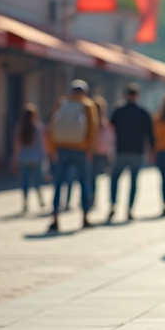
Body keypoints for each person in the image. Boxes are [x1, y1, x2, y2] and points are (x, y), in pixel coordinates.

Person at [47, 80, 99, 233]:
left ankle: (55, 217)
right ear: (85, 92)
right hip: (81, 149)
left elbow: (51, 126)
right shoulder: (88, 105)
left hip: (61, 148)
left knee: (58, 184)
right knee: (84, 183)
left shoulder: (61, 103)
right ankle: (85, 217)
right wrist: (90, 149)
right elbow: (92, 129)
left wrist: (52, 149)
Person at [109, 84, 153, 223]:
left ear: (125, 95)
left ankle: (113, 205)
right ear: (137, 96)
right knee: (133, 181)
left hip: (121, 149)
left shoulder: (119, 111)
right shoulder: (143, 112)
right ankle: (129, 209)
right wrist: (152, 150)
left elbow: (111, 128)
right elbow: (150, 134)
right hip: (137, 151)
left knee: (115, 178)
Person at [12, 103, 46, 214]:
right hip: (36, 158)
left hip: (24, 158)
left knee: (25, 182)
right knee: (37, 181)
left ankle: (25, 203)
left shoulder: (20, 128)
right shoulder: (39, 128)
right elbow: (42, 145)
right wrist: (45, 159)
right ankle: (41, 200)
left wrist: (15, 159)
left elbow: (17, 146)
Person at [92, 95, 115, 203]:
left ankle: (90, 199)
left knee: (90, 178)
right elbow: (110, 140)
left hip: (90, 152)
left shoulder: (89, 122)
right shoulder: (105, 124)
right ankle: (95, 199)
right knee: (97, 177)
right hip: (102, 153)